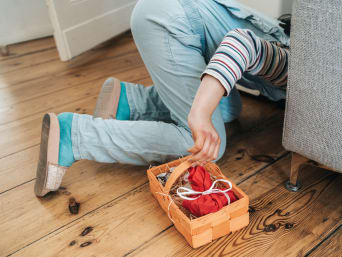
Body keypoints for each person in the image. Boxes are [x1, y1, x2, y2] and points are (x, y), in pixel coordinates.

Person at [34, 0, 289, 197]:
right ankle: (76, 135)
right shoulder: (303, 69)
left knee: (228, 106)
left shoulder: (296, 39)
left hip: (170, 13)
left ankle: (130, 101)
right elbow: (240, 44)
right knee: (206, 143)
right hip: (168, 21)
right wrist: (199, 114)